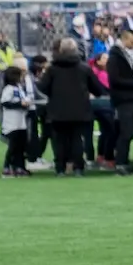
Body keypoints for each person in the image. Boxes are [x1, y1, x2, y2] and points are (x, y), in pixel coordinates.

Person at [37, 37, 102, 177]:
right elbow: (97, 89)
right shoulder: (84, 67)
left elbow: (42, 87)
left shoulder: (52, 69)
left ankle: (60, 168)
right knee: (77, 139)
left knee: (59, 140)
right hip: (80, 109)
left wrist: (54, 94)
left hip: (57, 109)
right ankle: (78, 167)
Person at [105, 27, 133, 175]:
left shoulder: (128, 55)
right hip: (123, 99)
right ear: (125, 39)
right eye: (132, 41)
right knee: (125, 132)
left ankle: (124, 162)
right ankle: (120, 163)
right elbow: (114, 80)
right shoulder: (115, 58)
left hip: (131, 98)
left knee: (129, 132)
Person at [0, 64, 30, 177]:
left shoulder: (19, 88)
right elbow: (5, 103)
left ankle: (20, 166)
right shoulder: (8, 89)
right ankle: (7, 166)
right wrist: (19, 104)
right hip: (12, 123)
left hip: (21, 122)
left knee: (22, 146)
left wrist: (26, 103)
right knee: (13, 146)